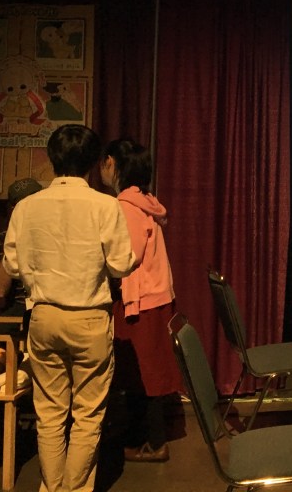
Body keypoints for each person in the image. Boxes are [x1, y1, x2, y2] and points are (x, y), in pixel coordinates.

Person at [3, 124, 135, 492]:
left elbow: (11, 265)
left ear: (52, 158)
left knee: (48, 416)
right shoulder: (105, 205)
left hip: (43, 316)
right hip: (89, 317)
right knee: (87, 416)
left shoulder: (26, 207)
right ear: (94, 162)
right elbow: (121, 265)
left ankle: (52, 488)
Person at [99, 138, 180, 464]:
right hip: (153, 297)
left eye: (105, 162)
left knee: (142, 372)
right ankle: (143, 437)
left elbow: (127, 257)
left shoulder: (126, 206)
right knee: (147, 370)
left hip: (140, 300)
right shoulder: (146, 201)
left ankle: (154, 442)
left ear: (113, 164)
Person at [0, 177, 44, 324]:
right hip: (20, 306)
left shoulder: (53, 229)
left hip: (49, 305)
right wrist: (16, 237)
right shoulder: (5, 235)